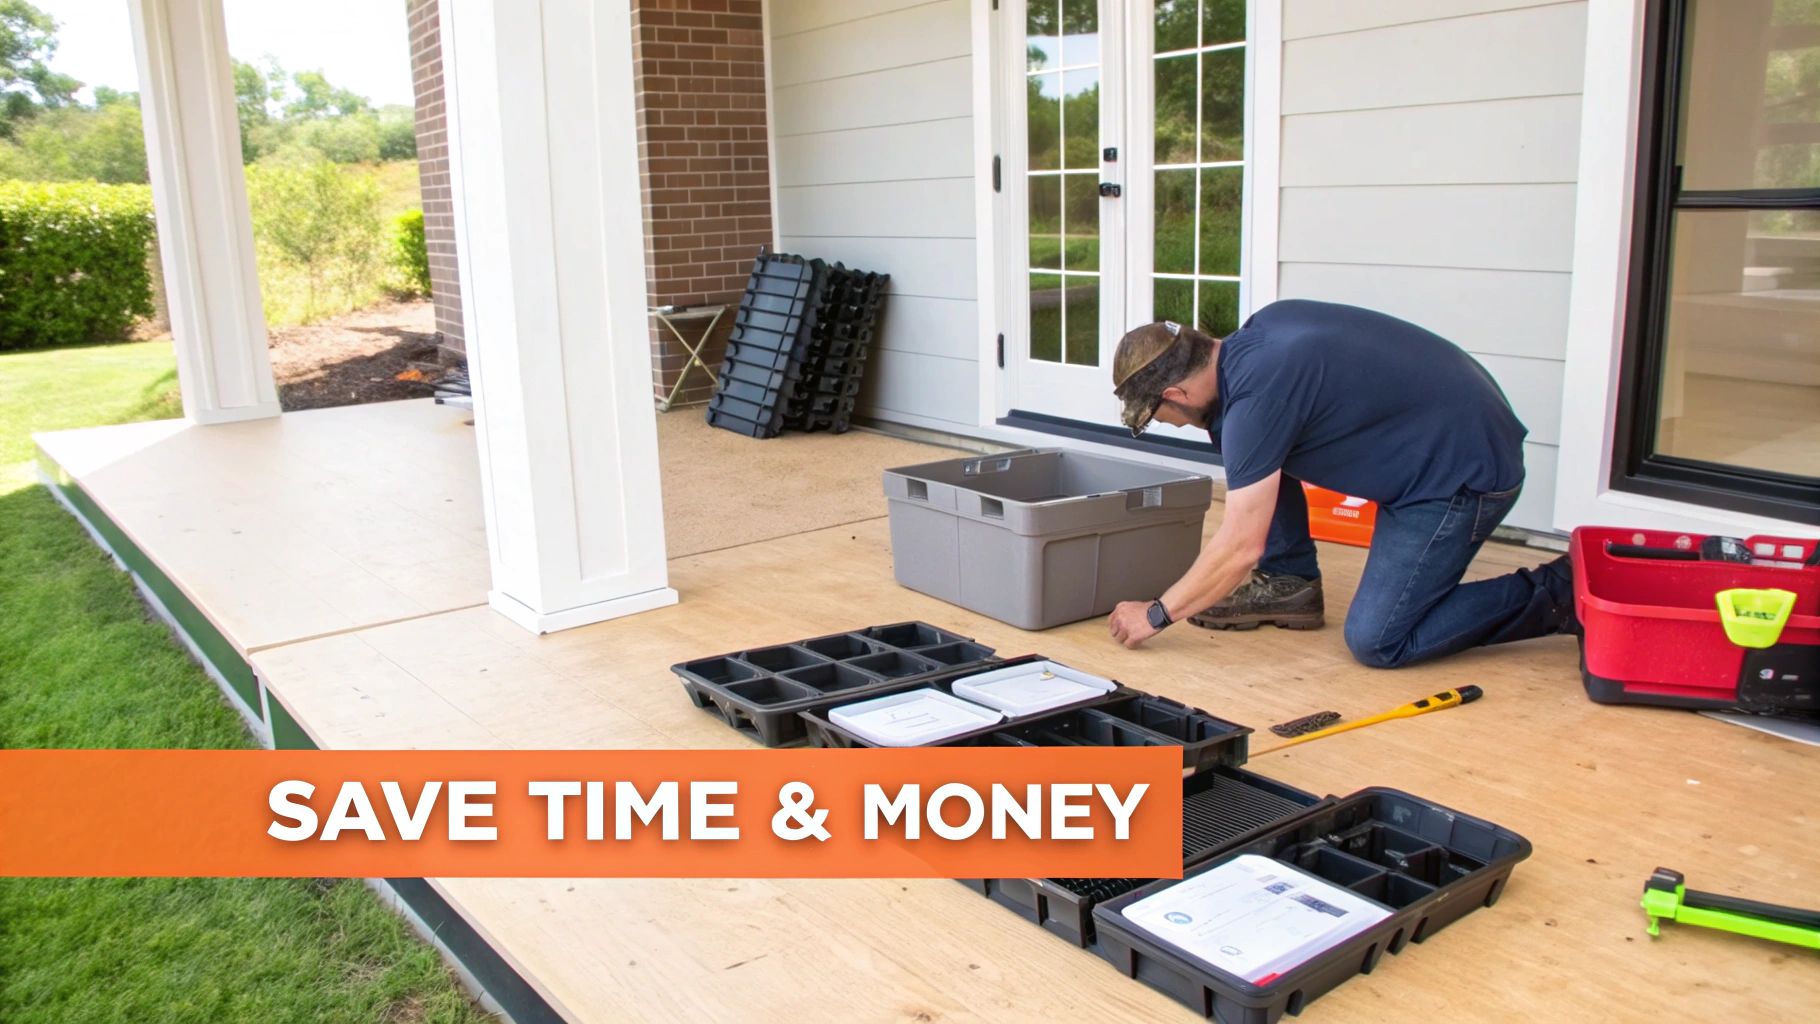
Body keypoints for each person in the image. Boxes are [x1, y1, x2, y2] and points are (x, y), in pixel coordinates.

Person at [1103, 300, 1576, 666]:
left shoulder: (1258, 401)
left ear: (1175, 393)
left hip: (1460, 479)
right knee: (1230, 429)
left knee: (1379, 639)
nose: (1172, 424)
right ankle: (1291, 582)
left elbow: (1239, 546)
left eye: (1160, 416)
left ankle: (1560, 591)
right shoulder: (1264, 332)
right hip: (1449, 437)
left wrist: (1156, 614)